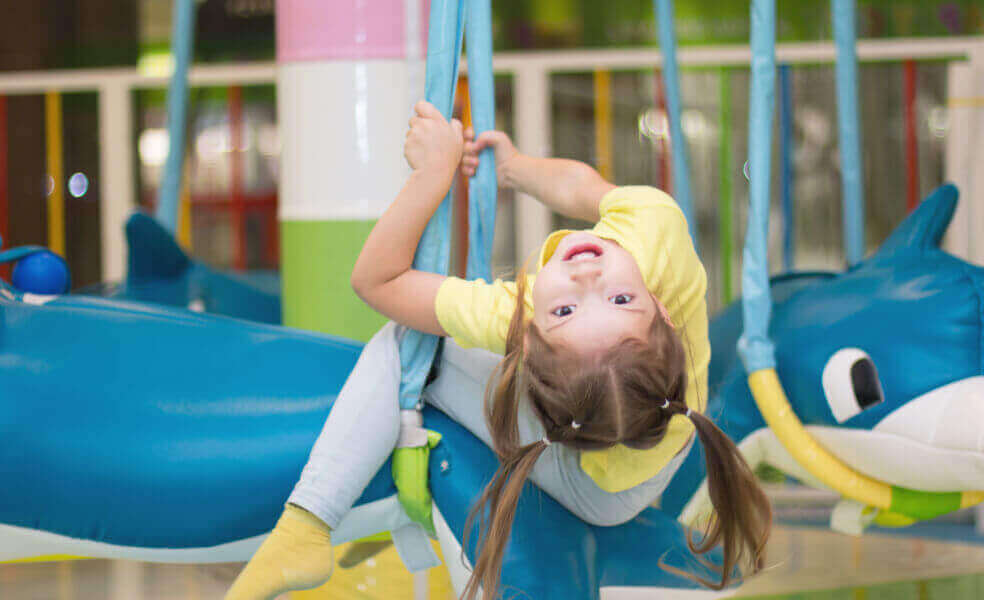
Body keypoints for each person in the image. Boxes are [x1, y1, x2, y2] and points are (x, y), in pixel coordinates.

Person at [226, 101, 771, 600]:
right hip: (643, 463)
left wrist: (432, 175)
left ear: (526, 349)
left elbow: (377, 281)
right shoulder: (657, 228)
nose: (587, 273)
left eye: (566, 312)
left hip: (593, 489)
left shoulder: (517, 312)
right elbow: (584, 188)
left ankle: (308, 521)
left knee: (408, 340)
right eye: (621, 298)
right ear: (665, 317)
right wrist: (515, 167)